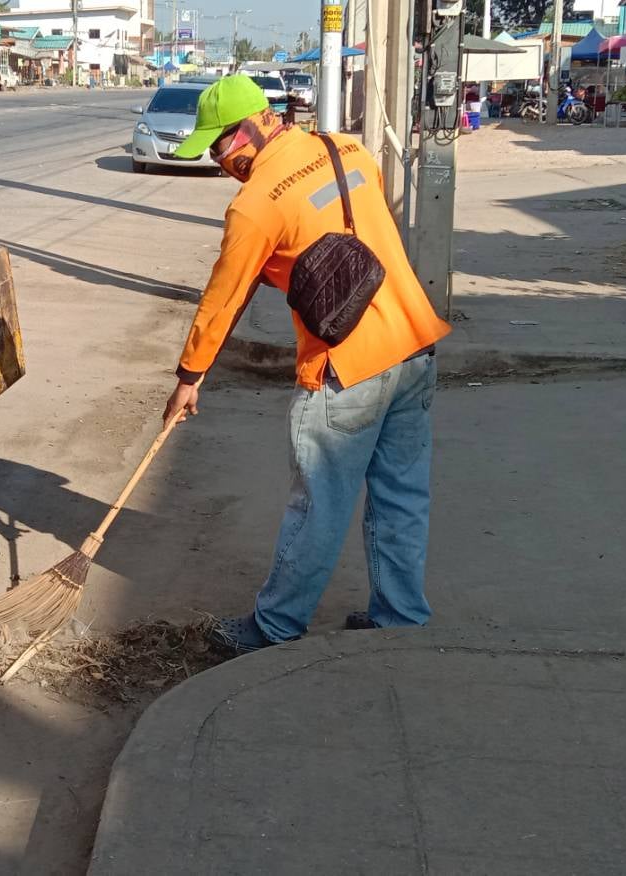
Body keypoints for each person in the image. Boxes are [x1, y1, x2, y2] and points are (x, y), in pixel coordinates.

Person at [162, 76, 451, 653]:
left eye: (218, 146)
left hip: (347, 369)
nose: (219, 162)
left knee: (318, 506)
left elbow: (223, 299)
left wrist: (190, 377)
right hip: (413, 344)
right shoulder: (347, 149)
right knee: (401, 498)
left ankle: (274, 627)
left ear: (250, 128)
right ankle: (401, 619)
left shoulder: (254, 206)